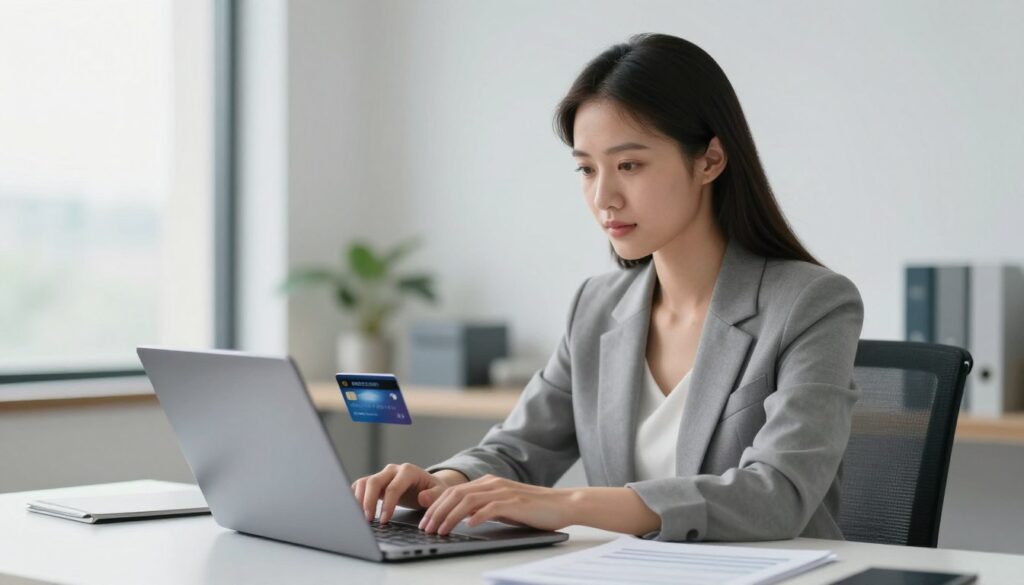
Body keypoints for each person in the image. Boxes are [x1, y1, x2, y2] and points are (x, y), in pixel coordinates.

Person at [351, 32, 864, 543]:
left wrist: (567, 504)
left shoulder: (811, 303)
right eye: (586, 168)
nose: (603, 197)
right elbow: (517, 449)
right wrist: (442, 484)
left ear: (710, 160)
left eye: (629, 165)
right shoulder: (596, 306)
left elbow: (778, 496)